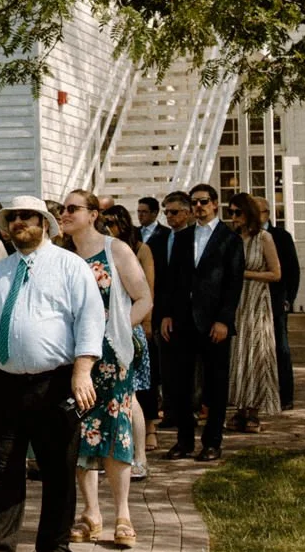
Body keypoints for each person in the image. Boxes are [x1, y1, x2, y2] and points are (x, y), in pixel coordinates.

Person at [0, 196, 105, 552]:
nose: (20, 222)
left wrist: (82, 370)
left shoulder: (71, 267)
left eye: (28, 216)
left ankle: (55, 546)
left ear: (45, 223)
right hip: (1, 383)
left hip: (55, 381)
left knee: (58, 467)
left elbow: (90, 320)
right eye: (14, 218)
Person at [67, 194, 150, 545]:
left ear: (93, 215)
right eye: (63, 209)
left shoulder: (115, 250)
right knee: (82, 433)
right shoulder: (63, 256)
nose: (64, 214)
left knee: (116, 430)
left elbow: (144, 297)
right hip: (75, 359)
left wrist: (116, 329)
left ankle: (123, 514)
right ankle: (91, 514)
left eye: (73, 209)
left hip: (112, 356)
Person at [157, 183, 244, 462]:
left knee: (215, 384)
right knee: (180, 384)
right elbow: (172, 281)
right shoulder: (182, 238)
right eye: (194, 202)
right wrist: (167, 314)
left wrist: (223, 320)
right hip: (182, 321)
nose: (198, 207)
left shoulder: (229, 239)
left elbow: (233, 285)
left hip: (213, 323)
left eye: (204, 202)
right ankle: (184, 441)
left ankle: (212, 442)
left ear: (215, 204)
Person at [98, 203, 156, 465]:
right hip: (98, 333)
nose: (108, 227)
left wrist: (145, 323)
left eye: (112, 221)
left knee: (129, 395)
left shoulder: (136, 250)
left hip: (128, 328)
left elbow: (147, 292)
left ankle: (139, 455)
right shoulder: (97, 250)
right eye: (104, 221)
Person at [228, 193, 283, 432]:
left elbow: (276, 273)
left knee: (257, 353)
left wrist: (246, 274)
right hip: (236, 303)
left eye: (237, 213)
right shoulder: (232, 239)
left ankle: (254, 410)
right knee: (238, 354)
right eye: (230, 213)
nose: (233, 218)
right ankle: (240, 407)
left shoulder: (264, 238)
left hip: (257, 302)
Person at [269, 204, 301, 410]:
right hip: (250, 302)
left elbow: (291, 269)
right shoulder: (239, 235)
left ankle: (285, 395)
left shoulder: (281, 236)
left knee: (281, 348)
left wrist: (289, 297)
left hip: (277, 300)